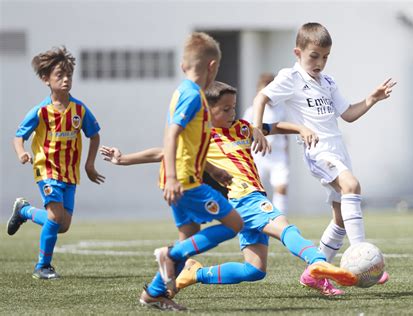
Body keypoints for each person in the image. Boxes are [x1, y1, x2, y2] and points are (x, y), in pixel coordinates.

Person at [101, 81, 358, 299]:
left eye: (233, 107)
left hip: (248, 199)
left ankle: (195, 273)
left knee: (254, 270)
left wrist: (300, 128)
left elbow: (275, 126)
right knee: (284, 226)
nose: (232, 112)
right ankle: (317, 262)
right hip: (243, 196)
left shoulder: (242, 128)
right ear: (208, 112)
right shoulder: (204, 136)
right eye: (225, 109)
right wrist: (124, 159)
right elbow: (163, 152)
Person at [252, 22, 396, 285]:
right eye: (314, 56)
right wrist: (256, 128)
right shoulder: (291, 77)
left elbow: (348, 114)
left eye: (325, 57)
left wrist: (371, 99)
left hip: (338, 150)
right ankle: (362, 257)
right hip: (318, 151)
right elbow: (261, 97)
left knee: (340, 220)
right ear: (298, 53)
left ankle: (315, 274)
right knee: (352, 184)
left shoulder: (328, 81)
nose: (320, 62)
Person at [135, 32, 264, 311]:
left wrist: (214, 169)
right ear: (212, 66)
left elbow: (187, 143)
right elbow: (171, 136)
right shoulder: (193, 96)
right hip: (185, 182)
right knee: (235, 224)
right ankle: (171, 256)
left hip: (182, 177)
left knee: (190, 233)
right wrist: (172, 177)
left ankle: (154, 293)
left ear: (184, 65)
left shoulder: (185, 92)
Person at [7, 46, 105, 280]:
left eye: (68, 75)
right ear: (46, 79)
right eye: (59, 75)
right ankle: (43, 266)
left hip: (69, 173)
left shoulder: (79, 109)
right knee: (54, 217)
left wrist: (89, 165)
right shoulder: (41, 111)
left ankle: (24, 211)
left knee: (62, 225)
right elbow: (18, 136)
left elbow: (94, 135)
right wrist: (22, 153)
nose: (65, 79)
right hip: (46, 169)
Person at [243, 73, 290, 212]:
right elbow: (245, 132)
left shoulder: (281, 109)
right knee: (257, 188)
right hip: (258, 154)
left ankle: (280, 217)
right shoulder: (252, 110)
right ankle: (259, 215)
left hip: (278, 154)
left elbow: (284, 131)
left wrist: (287, 152)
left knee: (281, 186)